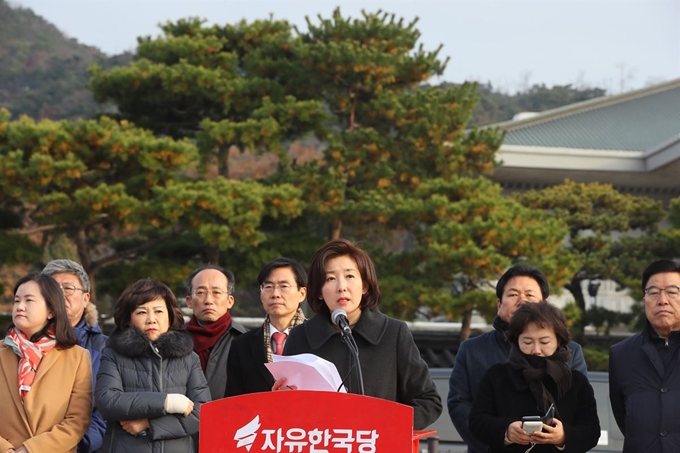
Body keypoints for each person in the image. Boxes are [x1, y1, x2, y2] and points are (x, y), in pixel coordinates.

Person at [280, 238, 442, 430]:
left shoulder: (393, 334)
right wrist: (280, 399)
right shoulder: (301, 337)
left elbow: (429, 402)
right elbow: (287, 411)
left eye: (349, 276)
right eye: (330, 278)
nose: (341, 286)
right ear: (320, 292)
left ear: (364, 286)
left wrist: (386, 425)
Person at [447, 264, 588, 453]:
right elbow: (459, 404)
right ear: (499, 305)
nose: (522, 301)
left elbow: (580, 409)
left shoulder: (570, 351)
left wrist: (561, 438)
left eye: (530, 295)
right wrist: (500, 437)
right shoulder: (472, 350)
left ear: (544, 304)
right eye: (513, 295)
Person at [95, 278, 211, 452]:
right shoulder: (114, 355)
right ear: (129, 319)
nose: (151, 319)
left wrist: (150, 424)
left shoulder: (189, 359)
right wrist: (166, 402)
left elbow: (203, 413)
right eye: (141, 312)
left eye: (158, 311)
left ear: (170, 316)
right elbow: (108, 401)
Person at [469, 302, 600, 453]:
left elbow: (591, 431)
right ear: (516, 340)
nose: (536, 350)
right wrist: (506, 431)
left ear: (559, 340)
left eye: (544, 342)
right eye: (527, 342)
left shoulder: (575, 381)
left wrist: (563, 437)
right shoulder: (497, 375)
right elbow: (477, 421)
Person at [0, 273, 92, 453]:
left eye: (29, 300)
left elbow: (77, 420)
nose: (20, 306)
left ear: (51, 310)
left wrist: (30, 449)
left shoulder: (77, 357)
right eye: (17, 300)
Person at [609, 259, 680, 452]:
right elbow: (624, 419)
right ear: (644, 300)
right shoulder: (621, 354)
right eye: (654, 292)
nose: (663, 300)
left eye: (672, 292)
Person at [42, 259, 107, 453]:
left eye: (68, 288)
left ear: (86, 298)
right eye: (53, 288)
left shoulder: (105, 348)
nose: (60, 295)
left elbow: (107, 409)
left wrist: (76, 444)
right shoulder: (22, 344)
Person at [225, 258, 307, 396]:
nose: (275, 294)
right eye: (268, 287)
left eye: (284, 286)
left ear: (302, 293)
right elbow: (234, 403)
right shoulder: (241, 345)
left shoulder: (319, 339)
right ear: (260, 294)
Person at [185, 265, 247, 400]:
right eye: (201, 292)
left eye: (216, 293)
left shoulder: (246, 342)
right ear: (189, 301)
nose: (208, 301)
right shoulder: (173, 341)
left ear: (230, 301)